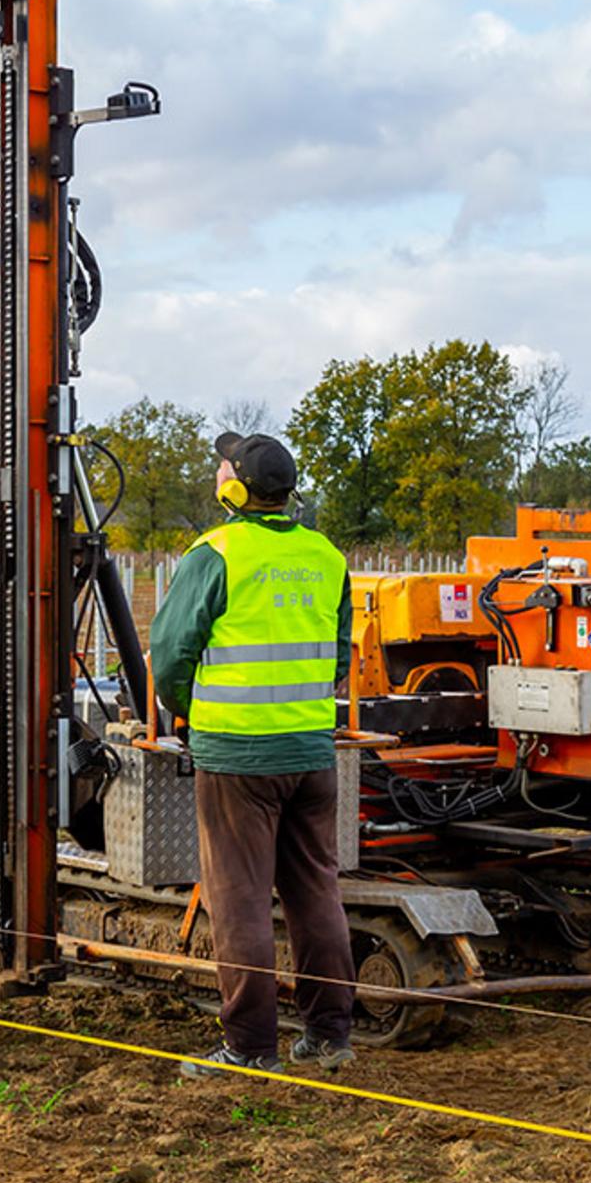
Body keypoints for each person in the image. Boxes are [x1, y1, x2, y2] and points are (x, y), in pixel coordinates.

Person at [148, 430, 356, 1077]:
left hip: (237, 758)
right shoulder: (326, 556)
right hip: (312, 752)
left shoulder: (214, 553)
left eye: (222, 467)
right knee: (316, 893)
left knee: (239, 902)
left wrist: (188, 710)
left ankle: (250, 1047)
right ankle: (329, 1037)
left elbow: (170, 656)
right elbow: (340, 656)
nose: (217, 473)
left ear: (236, 488)